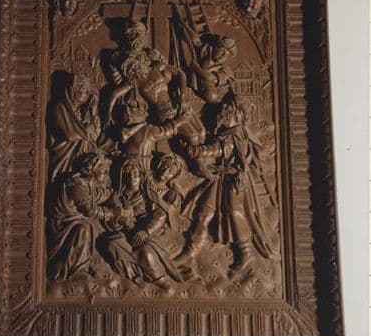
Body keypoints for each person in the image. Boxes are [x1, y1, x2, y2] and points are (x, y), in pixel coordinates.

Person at [176, 94, 276, 276]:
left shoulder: (234, 134)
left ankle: (246, 254)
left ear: (234, 114)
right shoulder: (234, 133)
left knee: (234, 214)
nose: (220, 112)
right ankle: (190, 254)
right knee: (203, 213)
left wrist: (193, 151)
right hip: (222, 179)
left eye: (225, 109)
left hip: (233, 183)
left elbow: (217, 150)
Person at [101, 156, 183, 289]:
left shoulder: (165, 194)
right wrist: (120, 219)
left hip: (151, 230)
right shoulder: (134, 188)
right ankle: (135, 276)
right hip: (127, 230)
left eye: (170, 171)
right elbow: (113, 216)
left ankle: (159, 279)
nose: (165, 171)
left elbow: (162, 215)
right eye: (164, 167)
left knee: (146, 252)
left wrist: (146, 231)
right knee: (111, 244)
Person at [46, 152, 112, 281]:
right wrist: (113, 213)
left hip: (73, 223)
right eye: (104, 172)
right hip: (64, 226)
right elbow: (90, 210)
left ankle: (87, 262)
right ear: (92, 171)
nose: (106, 176)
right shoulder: (76, 185)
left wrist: (111, 194)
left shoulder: (87, 185)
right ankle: (75, 269)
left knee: (89, 226)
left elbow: (98, 196)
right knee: (84, 228)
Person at [47, 72, 101, 181]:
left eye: (88, 91)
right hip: (66, 158)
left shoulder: (83, 112)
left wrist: (93, 112)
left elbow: (95, 135)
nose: (87, 94)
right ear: (73, 90)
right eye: (84, 90)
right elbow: (70, 134)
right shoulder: (60, 107)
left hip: (83, 162)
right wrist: (86, 131)